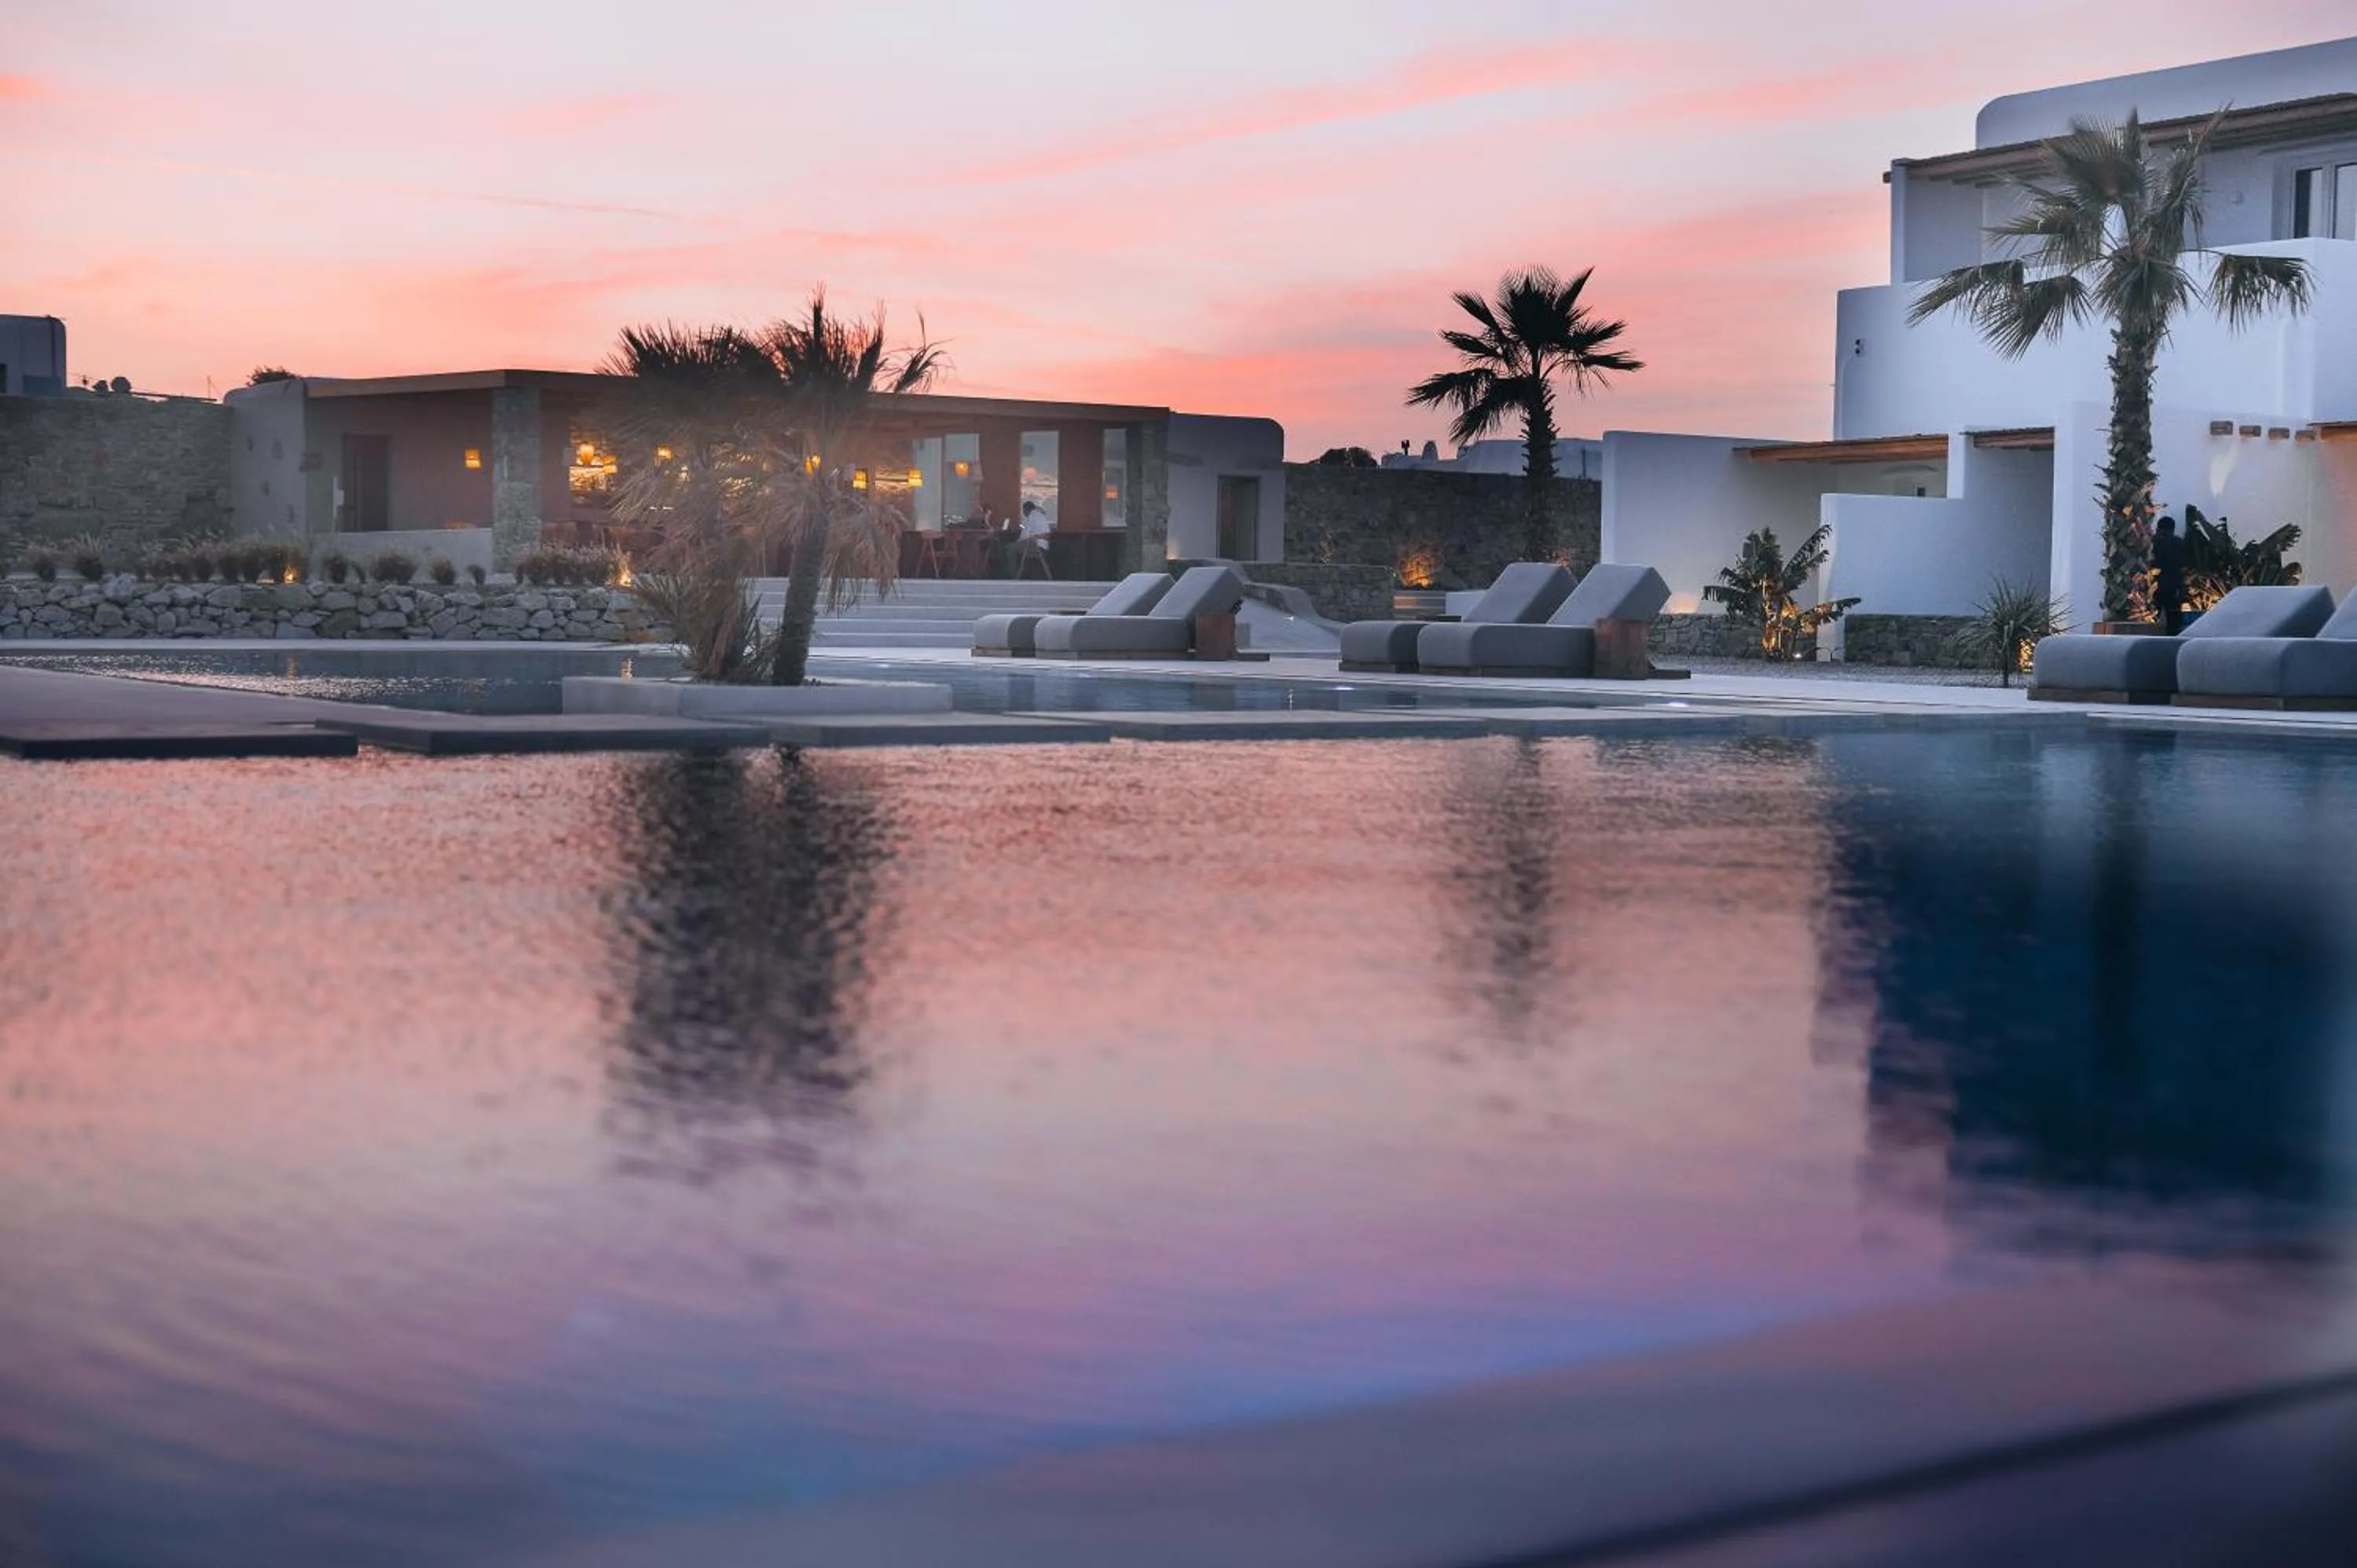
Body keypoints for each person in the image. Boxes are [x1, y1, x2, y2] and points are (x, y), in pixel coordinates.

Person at [2153, 514, 2186, 636]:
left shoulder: (2152, 542)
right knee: (2174, 623)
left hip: (2154, 587)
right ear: (2173, 529)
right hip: (2174, 588)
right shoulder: (2179, 543)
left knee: (2151, 619)